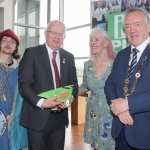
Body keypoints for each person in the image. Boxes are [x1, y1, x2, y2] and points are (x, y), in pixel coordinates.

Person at [18, 20, 78, 150]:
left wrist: (70, 98)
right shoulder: (32, 53)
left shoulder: (69, 57)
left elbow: (73, 84)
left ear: (64, 37)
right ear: (45, 34)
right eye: (53, 33)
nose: (57, 37)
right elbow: (24, 85)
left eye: (60, 34)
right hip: (37, 118)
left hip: (60, 120)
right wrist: (41, 102)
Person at [104, 7, 150, 149]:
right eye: (128, 26)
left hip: (145, 135)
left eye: (137, 24)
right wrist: (121, 109)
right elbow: (109, 84)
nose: (132, 30)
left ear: (148, 27)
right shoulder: (122, 55)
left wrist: (128, 104)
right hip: (120, 132)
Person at [78, 28, 115, 150]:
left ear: (105, 43)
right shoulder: (87, 64)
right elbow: (84, 86)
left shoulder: (116, 63)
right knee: (96, 147)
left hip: (111, 111)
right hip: (92, 112)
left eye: (96, 39)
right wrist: (70, 93)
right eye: (90, 40)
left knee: (111, 145)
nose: (92, 43)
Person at [0, 29, 27, 150]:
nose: (8, 44)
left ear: (16, 47)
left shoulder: (21, 70)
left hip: (15, 121)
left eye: (12, 42)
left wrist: (15, 114)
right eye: (4, 40)